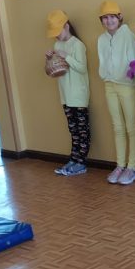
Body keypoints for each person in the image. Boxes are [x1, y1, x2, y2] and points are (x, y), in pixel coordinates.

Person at [97, 0, 135, 185]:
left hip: (127, 86)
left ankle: (132, 168)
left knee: (131, 127)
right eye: (105, 17)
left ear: (119, 18)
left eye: (112, 17)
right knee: (117, 127)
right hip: (109, 85)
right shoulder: (101, 39)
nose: (109, 21)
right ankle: (120, 165)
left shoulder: (128, 36)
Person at [45, 9, 90, 176]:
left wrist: (67, 56)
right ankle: (74, 159)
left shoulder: (78, 45)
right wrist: (50, 58)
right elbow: (58, 69)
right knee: (73, 130)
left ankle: (81, 163)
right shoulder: (57, 45)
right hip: (65, 94)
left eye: (58, 32)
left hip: (78, 95)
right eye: (54, 34)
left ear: (67, 26)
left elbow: (82, 68)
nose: (56, 36)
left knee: (82, 130)